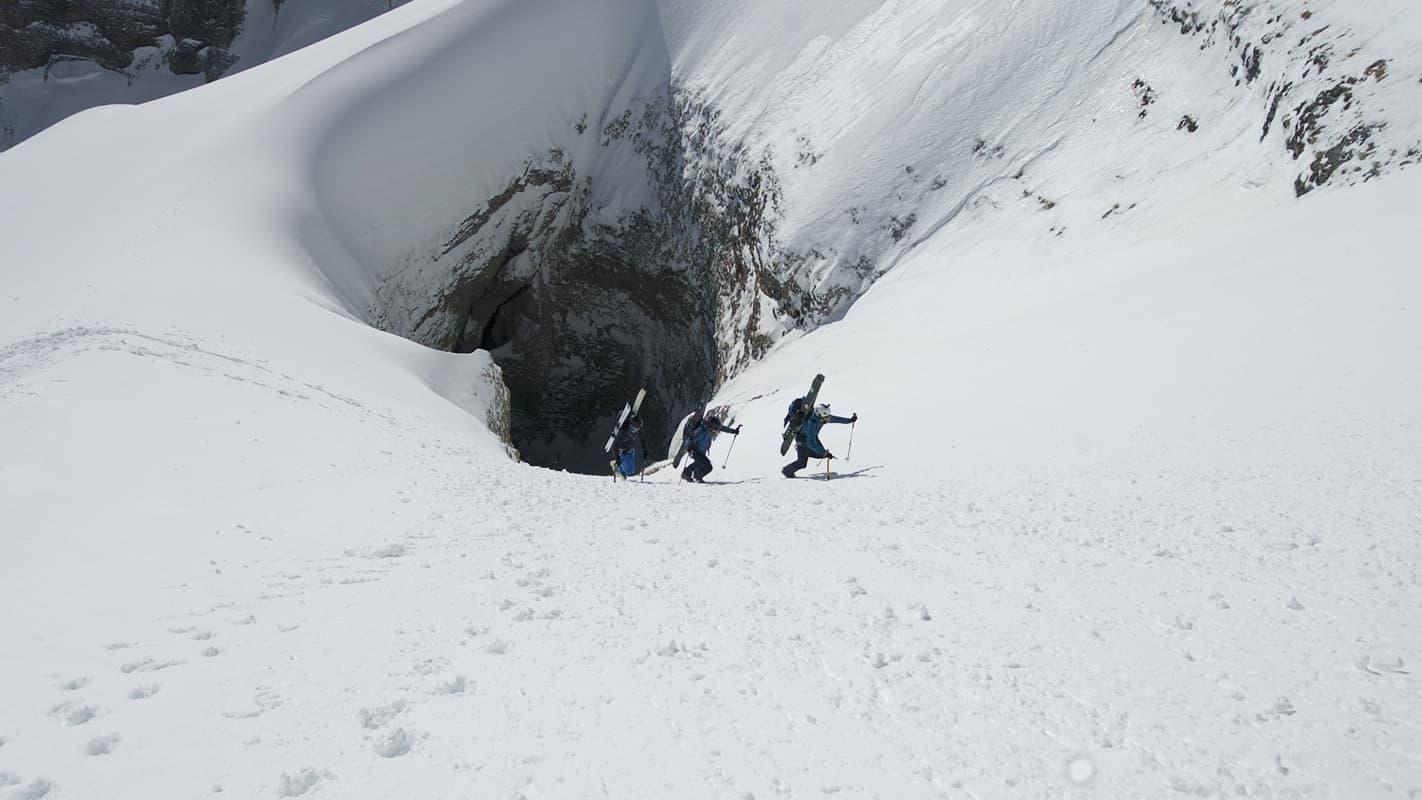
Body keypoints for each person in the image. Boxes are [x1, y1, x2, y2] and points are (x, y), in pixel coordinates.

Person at [782, 401, 857, 477]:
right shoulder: (812, 423)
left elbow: (835, 419)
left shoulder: (821, 417)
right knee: (802, 463)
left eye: (827, 416)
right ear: (819, 414)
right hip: (803, 441)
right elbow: (810, 442)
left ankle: (808, 452)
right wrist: (823, 452)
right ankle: (787, 471)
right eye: (825, 417)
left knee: (820, 454)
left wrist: (849, 420)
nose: (827, 418)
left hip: (812, 438)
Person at [681, 415, 741, 483]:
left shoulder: (709, 429)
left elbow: (722, 428)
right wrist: (689, 447)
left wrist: (733, 431)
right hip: (694, 451)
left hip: (701, 451)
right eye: (715, 427)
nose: (715, 429)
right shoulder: (701, 430)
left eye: (716, 427)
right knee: (708, 467)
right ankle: (696, 476)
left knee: (700, 463)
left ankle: (688, 474)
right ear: (710, 424)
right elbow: (690, 437)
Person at [612, 414, 644, 480]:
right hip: (623, 451)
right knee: (629, 469)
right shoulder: (624, 433)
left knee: (631, 470)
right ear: (631, 426)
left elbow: (642, 439)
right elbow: (615, 447)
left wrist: (645, 449)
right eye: (635, 428)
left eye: (638, 428)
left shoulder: (637, 430)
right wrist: (617, 458)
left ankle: (620, 469)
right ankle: (618, 468)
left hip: (630, 450)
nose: (636, 429)